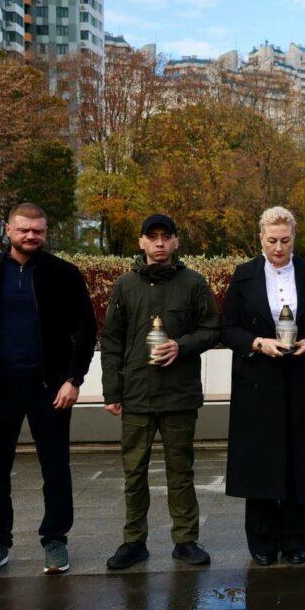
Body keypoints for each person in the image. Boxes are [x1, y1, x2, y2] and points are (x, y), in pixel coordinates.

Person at [0, 203, 96, 578]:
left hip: (50, 388)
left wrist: (73, 379)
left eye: (38, 230)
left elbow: (85, 331)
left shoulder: (64, 275)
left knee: (56, 468)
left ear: (46, 232)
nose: (31, 236)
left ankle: (55, 539)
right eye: (23, 230)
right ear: (7, 231)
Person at [100, 214, 220, 569]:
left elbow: (213, 329)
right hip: (136, 393)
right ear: (141, 242)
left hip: (178, 394)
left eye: (166, 236)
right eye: (152, 237)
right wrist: (112, 391)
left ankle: (186, 540)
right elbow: (111, 340)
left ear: (176, 242)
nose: (159, 243)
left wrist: (181, 346)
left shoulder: (194, 283)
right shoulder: (125, 286)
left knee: (180, 470)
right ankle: (134, 541)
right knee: (134, 472)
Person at [220, 207, 305, 566]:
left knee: (299, 458)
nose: (278, 248)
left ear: (294, 238)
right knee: (260, 460)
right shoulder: (243, 276)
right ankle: (262, 542)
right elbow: (227, 328)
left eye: (285, 240)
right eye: (272, 240)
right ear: (260, 238)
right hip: (257, 379)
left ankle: (297, 541)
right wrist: (258, 342)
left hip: (300, 378)